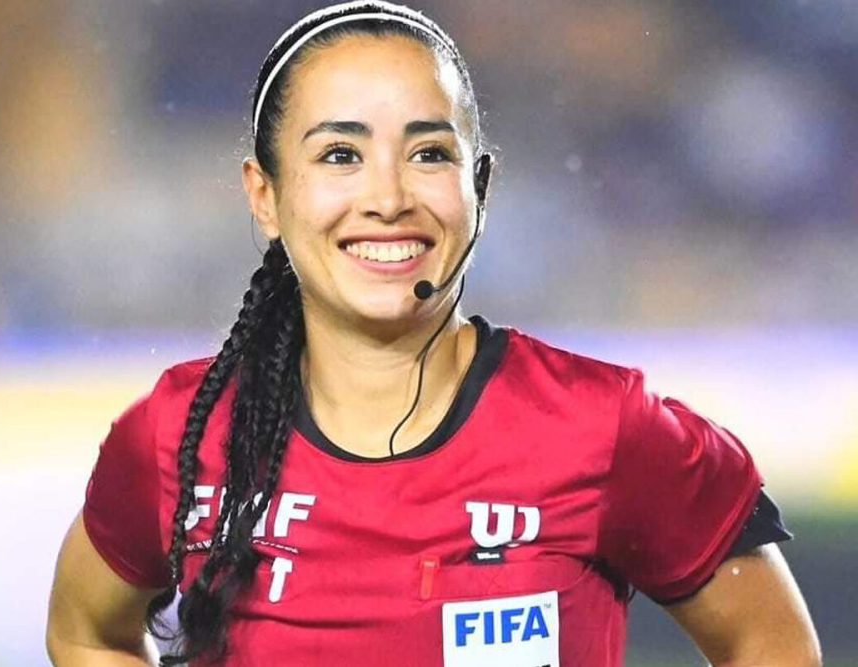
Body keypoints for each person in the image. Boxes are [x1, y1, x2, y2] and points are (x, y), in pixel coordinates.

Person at [46, 2, 822, 665]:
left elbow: (772, 643)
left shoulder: (605, 426)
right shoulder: (180, 434)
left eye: (429, 153)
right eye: (340, 154)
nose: (388, 198)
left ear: (478, 186)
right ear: (265, 195)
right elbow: (83, 631)